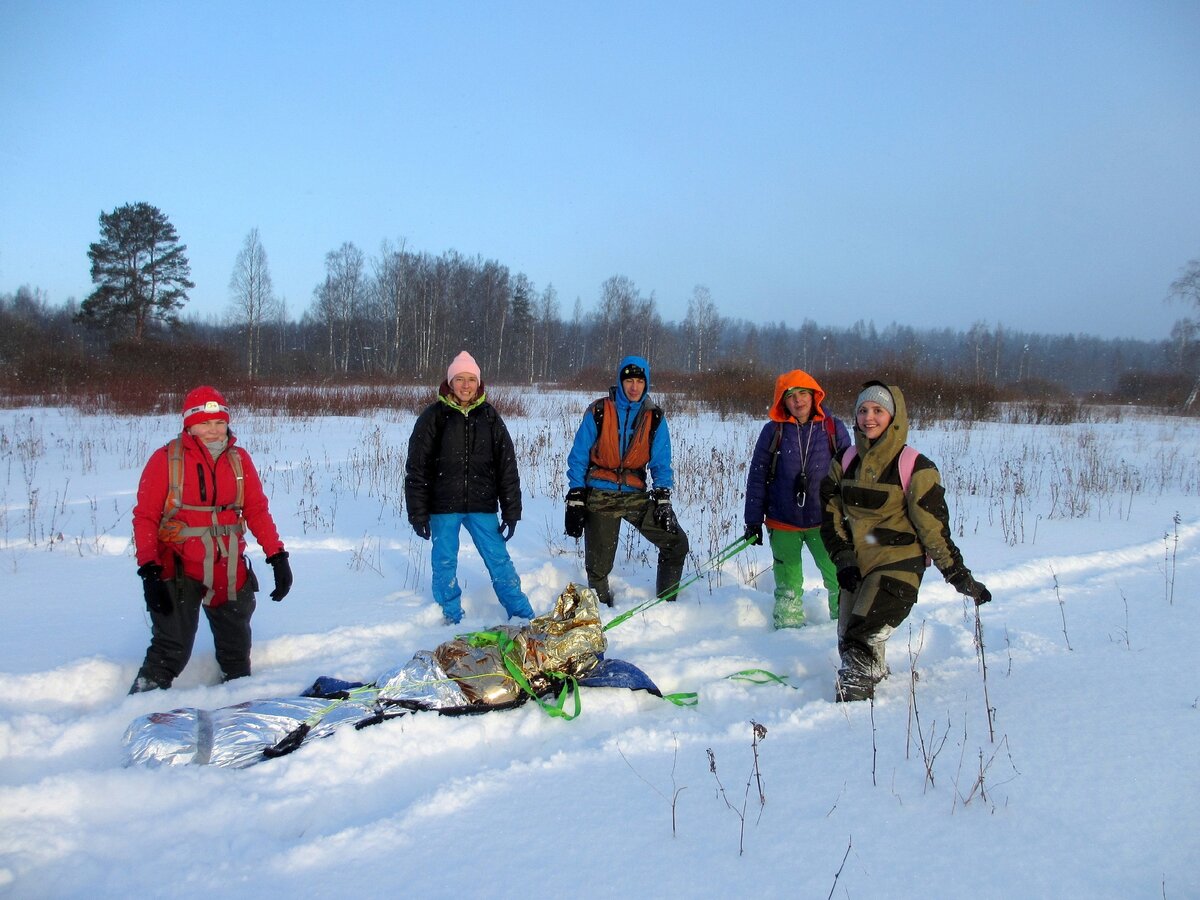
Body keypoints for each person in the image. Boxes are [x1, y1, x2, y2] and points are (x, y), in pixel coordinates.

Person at [820, 381, 991, 702]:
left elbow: (934, 530)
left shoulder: (916, 467)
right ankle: (876, 678)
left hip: (899, 567)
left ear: (894, 417)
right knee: (847, 640)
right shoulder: (843, 461)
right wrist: (843, 557)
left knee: (862, 634)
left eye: (878, 411)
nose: (869, 417)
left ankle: (848, 713)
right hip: (857, 565)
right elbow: (830, 515)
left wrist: (960, 578)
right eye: (863, 410)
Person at [130, 386, 292, 693]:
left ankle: (236, 709)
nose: (213, 430)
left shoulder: (239, 460)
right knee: (171, 648)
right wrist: (149, 569)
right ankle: (141, 708)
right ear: (188, 425)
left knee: (236, 651)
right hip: (178, 566)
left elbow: (256, 509)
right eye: (204, 423)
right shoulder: (166, 460)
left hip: (227, 566)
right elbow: (146, 517)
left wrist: (277, 556)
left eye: (219, 422)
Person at [405, 350, 534, 625]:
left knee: (500, 562)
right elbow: (417, 468)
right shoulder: (433, 417)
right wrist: (417, 512)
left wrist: (512, 510)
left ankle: (522, 615)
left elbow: (506, 467)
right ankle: (449, 614)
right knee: (444, 562)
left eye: (471, 379)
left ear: (479, 383)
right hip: (443, 507)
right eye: (460, 379)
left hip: (482, 505)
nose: (465, 385)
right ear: (450, 382)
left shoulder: (490, 418)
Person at [564, 355, 689, 607]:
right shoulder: (599, 411)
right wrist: (576, 496)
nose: (634, 386)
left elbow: (661, 462)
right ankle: (601, 611)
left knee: (676, 543)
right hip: (600, 492)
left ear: (647, 383)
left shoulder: (654, 418)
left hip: (635, 494)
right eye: (629, 380)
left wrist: (663, 498)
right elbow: (578, 456)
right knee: (599, 566)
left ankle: (667, 605)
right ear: (620, 382)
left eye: (639, 381)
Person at [743, 369, 851, 628]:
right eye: (790, 396)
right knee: (788, 582)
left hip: (824, 521)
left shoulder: (833, 428)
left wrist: (850, 516)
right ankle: (788, 632)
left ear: (815, 396)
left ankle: (846, 627)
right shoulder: (773, 431)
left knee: (839, 576)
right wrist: (753, 520)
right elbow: (757, 476)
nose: (798, 400)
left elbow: (849, 474)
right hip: (783, 521)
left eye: (803, 393)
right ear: (782, 401)